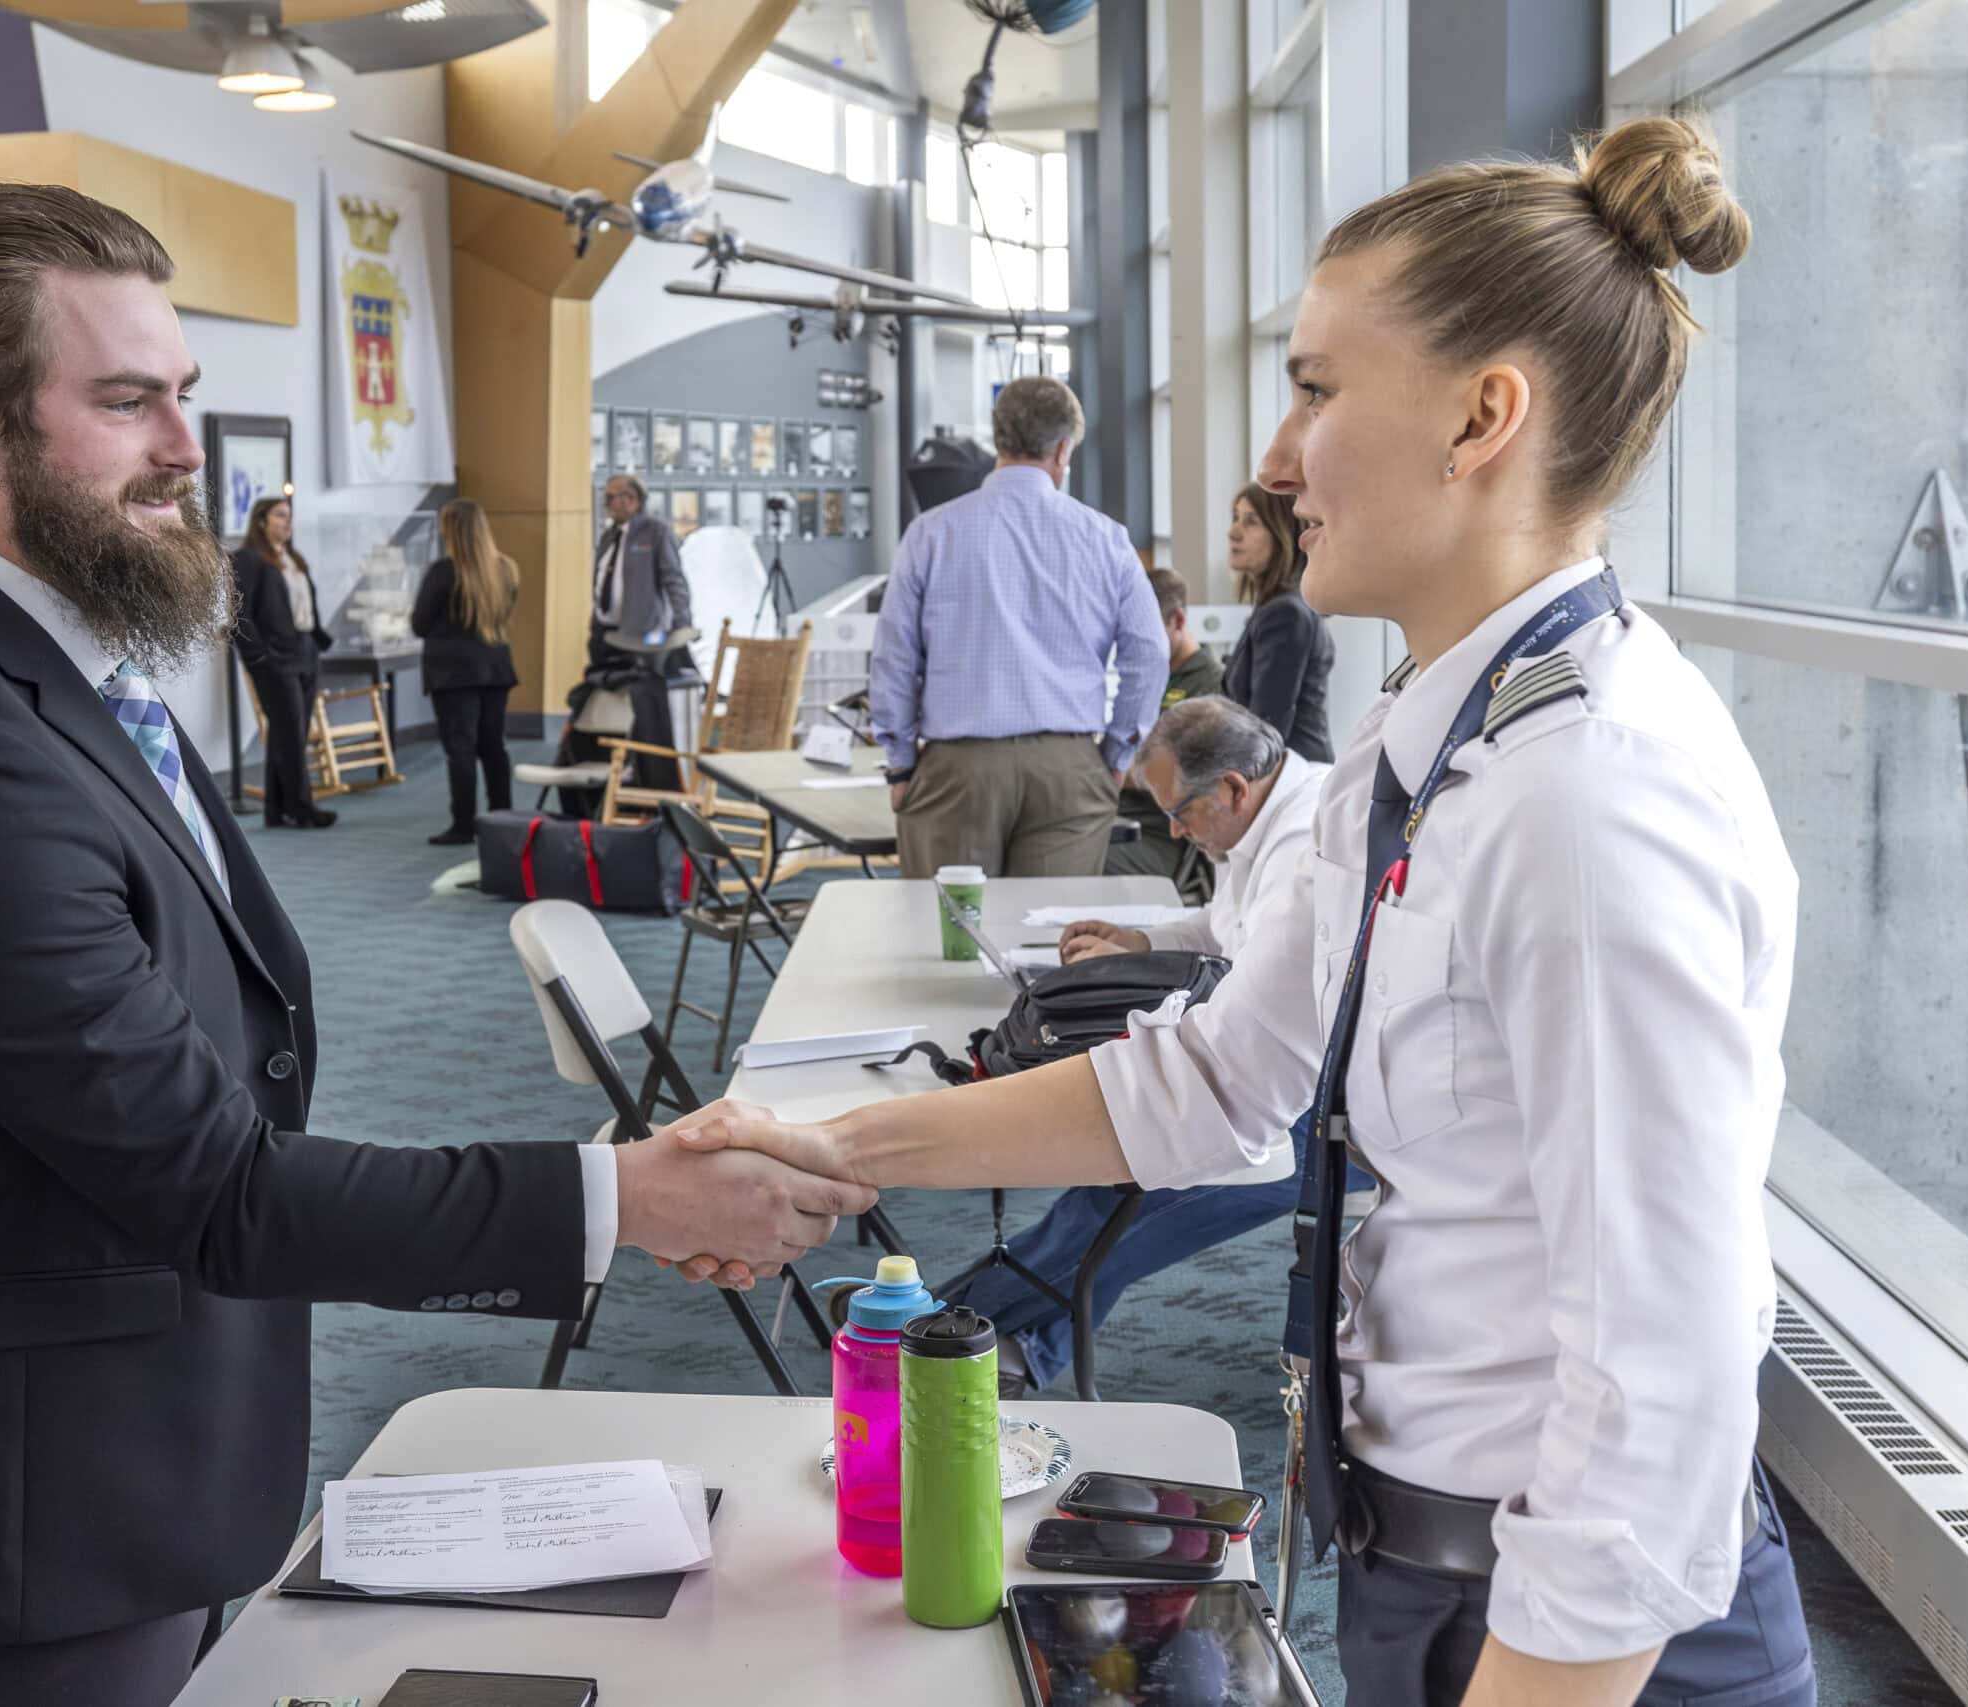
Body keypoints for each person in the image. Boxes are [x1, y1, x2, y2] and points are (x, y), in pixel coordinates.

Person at [675, 116, 1813, 1707]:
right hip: (1439, 1572)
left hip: (1595, 1637)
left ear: (1486, 415)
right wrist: (838, 1146)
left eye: (1318, 387)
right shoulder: (1434, 752)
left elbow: (1666, 1392)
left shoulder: (1584, 802)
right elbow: (1215, 1079)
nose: (1279, 457)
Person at [0, 181, 873, 1707]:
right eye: (128, 400)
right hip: (25, 1502)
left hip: (136, 1442)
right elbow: (212, 1176)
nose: (182, 449)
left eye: (185, 396)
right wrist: (614, 1192)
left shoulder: (56, 663)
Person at [955, 696, 1325, 1398]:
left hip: (1328, 1109)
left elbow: (1257, 999)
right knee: (1115, 1180)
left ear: (1232, 788)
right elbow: (1225, 932)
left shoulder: (1303, 842)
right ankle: (1023, 1345)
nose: (1177, 833)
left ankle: (933, 1324)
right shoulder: (1255, 822)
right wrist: (1139, 944)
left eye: (1179, 813)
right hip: (1287, 1076)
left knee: (1125, 1198)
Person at [870, 375, 1169, 878]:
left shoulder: (931, 533)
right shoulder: (1105, 538)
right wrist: (1119, 754)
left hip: (956, 768)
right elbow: (1149, 652)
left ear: (997, 438)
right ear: (1064, 449)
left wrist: (899, 762)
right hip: (1069, 767)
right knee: (1050, 943)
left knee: (952, 945)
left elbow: (894, 657)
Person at [1106, 566, 1229, 894]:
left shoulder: (1210, 689)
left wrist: (1115, 767)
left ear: (1177, 620)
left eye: (1145, 629)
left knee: (1076, 861)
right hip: (1118, 822)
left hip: (1164, 837)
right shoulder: (1150, 681)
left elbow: (1189, 778)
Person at [411, 497, 520, 846]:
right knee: (493, 746)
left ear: (452, 531)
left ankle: (464, 824)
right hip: (495, 667)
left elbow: (420, 623)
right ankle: (503, 816)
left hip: (453, 673)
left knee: (460, 748)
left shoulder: (444, 572)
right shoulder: (505, 569)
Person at [231, 493, 334, 829]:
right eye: (279, 515)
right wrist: (258, 655)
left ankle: (277, 809)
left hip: (304, 650)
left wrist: (317, 638)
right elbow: (238, 613)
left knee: (291, 732)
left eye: (288, 516)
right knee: (289, 731)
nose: (287, 522)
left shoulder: (293, 559)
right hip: (275, 657)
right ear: (261, 521)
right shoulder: (248, 558)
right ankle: (302, 807)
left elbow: (303, 607)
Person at [1221, 482, 1334, 762]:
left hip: (1291, 780)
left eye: (1251, 522)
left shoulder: (1285, 613)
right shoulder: (1274, 608)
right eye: (1236, 518)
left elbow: (1267, 726)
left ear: (1280, 533)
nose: (1233, 532)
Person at [590, 473, 691, 671]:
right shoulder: (608, 537)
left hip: (640, 635)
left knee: (642, 692)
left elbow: (674, 580)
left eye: (610, 498)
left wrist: (683, 625)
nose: (606, 504)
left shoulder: (656, 533)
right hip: (604, 632)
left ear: (631, 499)